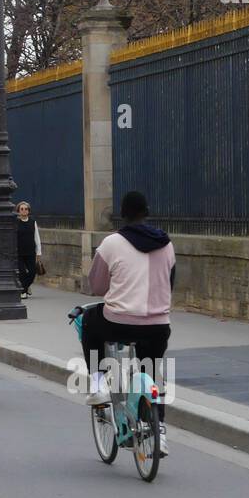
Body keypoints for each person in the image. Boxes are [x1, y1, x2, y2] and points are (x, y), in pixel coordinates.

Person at [84, 190, 174, 457]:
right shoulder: (167, 244)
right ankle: (160, 430)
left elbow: (97, 286)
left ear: (122, 215)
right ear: (146, 212)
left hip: (119, 322)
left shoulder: (112, 243)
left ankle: (98, 383)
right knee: (155, 372)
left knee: (89, 321)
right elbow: (170, 284)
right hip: (159, 325)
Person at [15, 201, 45, 298]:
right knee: (22, 272)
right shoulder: (15, 222)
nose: (24, 211)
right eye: (22, 209)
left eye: (26, 209)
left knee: (32, 272)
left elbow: (37, 237)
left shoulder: (32, 222)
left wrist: (39, 252)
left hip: (30, 251)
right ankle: (23, 291)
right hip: (19, 252)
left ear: (28, 211)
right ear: (18, 211)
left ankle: (25, 286)